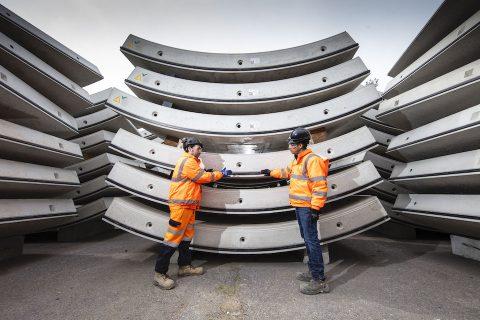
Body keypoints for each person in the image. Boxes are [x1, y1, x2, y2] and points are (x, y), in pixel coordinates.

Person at [153, 137, 232, 290]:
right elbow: (201, 177)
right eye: (198, 148)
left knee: (186, 238)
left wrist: (210, 173)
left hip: (188, 207)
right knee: (172, 240)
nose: (200, 151)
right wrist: (220, 174)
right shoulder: (188, 161)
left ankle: (184, 267)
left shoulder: (193, 162)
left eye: (200, 148)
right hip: (180, 207)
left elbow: (197, 176)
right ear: (189, 148)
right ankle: (159, 273)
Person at [261, 127, 329, 295]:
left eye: (292, 144)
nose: (289, 146)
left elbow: (320, 186)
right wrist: (271, 172)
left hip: (308, 208)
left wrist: (315, 208)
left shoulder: (312, 160)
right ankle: (313, 272)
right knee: (307, 239)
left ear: (300, 145)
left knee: (311, 241)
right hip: (299, 206)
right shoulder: (298, 159)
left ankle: (319, 280)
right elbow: (287, 172)